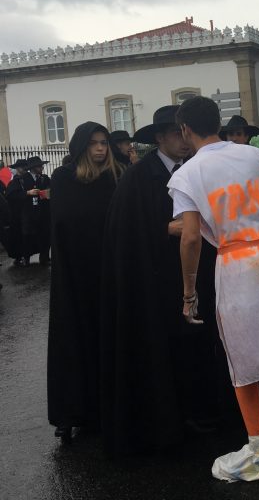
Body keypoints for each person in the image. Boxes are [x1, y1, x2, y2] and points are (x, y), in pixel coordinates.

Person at [168, 96, 259, 482]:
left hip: (237, 263)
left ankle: (258, 448)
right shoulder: (256, 156)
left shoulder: (188, 173)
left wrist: (189, 292)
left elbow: (190, 238)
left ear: (185, 129)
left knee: (243, 355)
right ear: (218, 123)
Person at [100, 106, 222, 457]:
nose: (183, 140)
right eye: (174, 133)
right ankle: (172, 415)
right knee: (167, 345)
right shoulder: (139, 177)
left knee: (200, 341)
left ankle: (202, 408)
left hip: (199, 271)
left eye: (184, 132)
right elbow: (124, 229)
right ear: (159, 138)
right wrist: (165, 228)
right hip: (157, 277)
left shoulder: (197, 167)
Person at [48, 123, 123, 443]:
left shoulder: (115, 177)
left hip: (108, 270)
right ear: (81, 146)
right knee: (74, 339)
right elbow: (61, 224)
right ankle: (72, 411)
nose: (100, 148)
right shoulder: (63, 178)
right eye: (93, 143)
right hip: (75, 274)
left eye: (104, 142)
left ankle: (108, 408)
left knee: (107, 337)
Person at [26, 156, 52, 265]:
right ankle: (26, 258)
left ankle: (44, 257)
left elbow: (52, 189)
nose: (42, 168)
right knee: (29, 236)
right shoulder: (23, 178)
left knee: (46, 234)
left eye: (42, 165)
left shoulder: (45, 178)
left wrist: (47, 193)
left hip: (44, 211)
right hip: (29, 212)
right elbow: (14, 194)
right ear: (33, 168)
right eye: (39, 166)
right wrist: (28, 193)